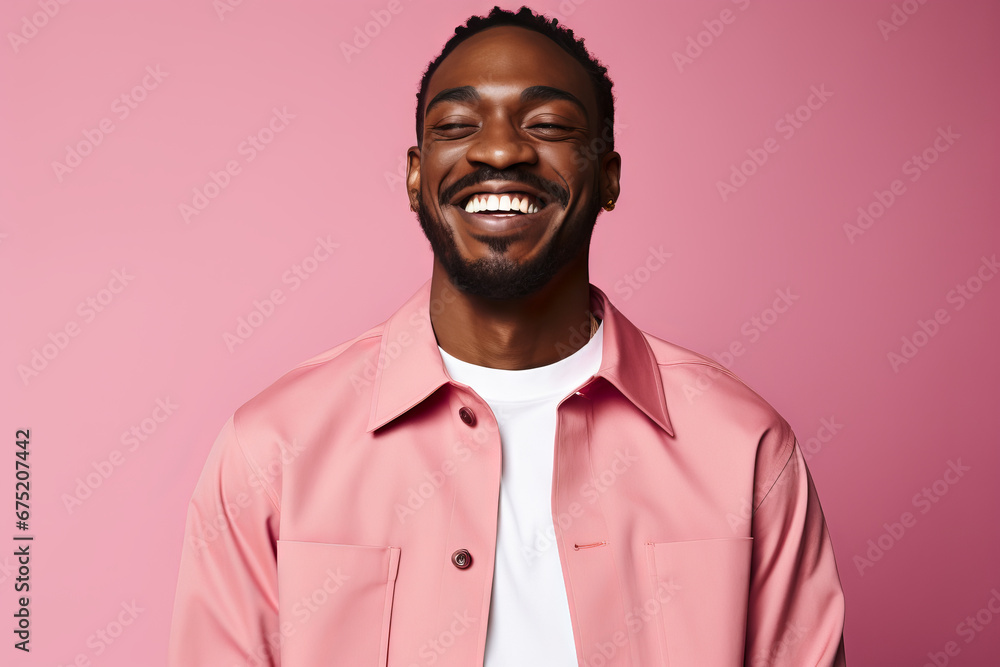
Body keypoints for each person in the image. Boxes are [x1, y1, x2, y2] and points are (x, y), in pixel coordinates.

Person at [167, 6, 847, 665]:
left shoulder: (744, 449)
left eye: (547, 123)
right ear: (414, 175)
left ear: (608, 178)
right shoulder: (273, 451)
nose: (499, 150)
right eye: (459, 124)